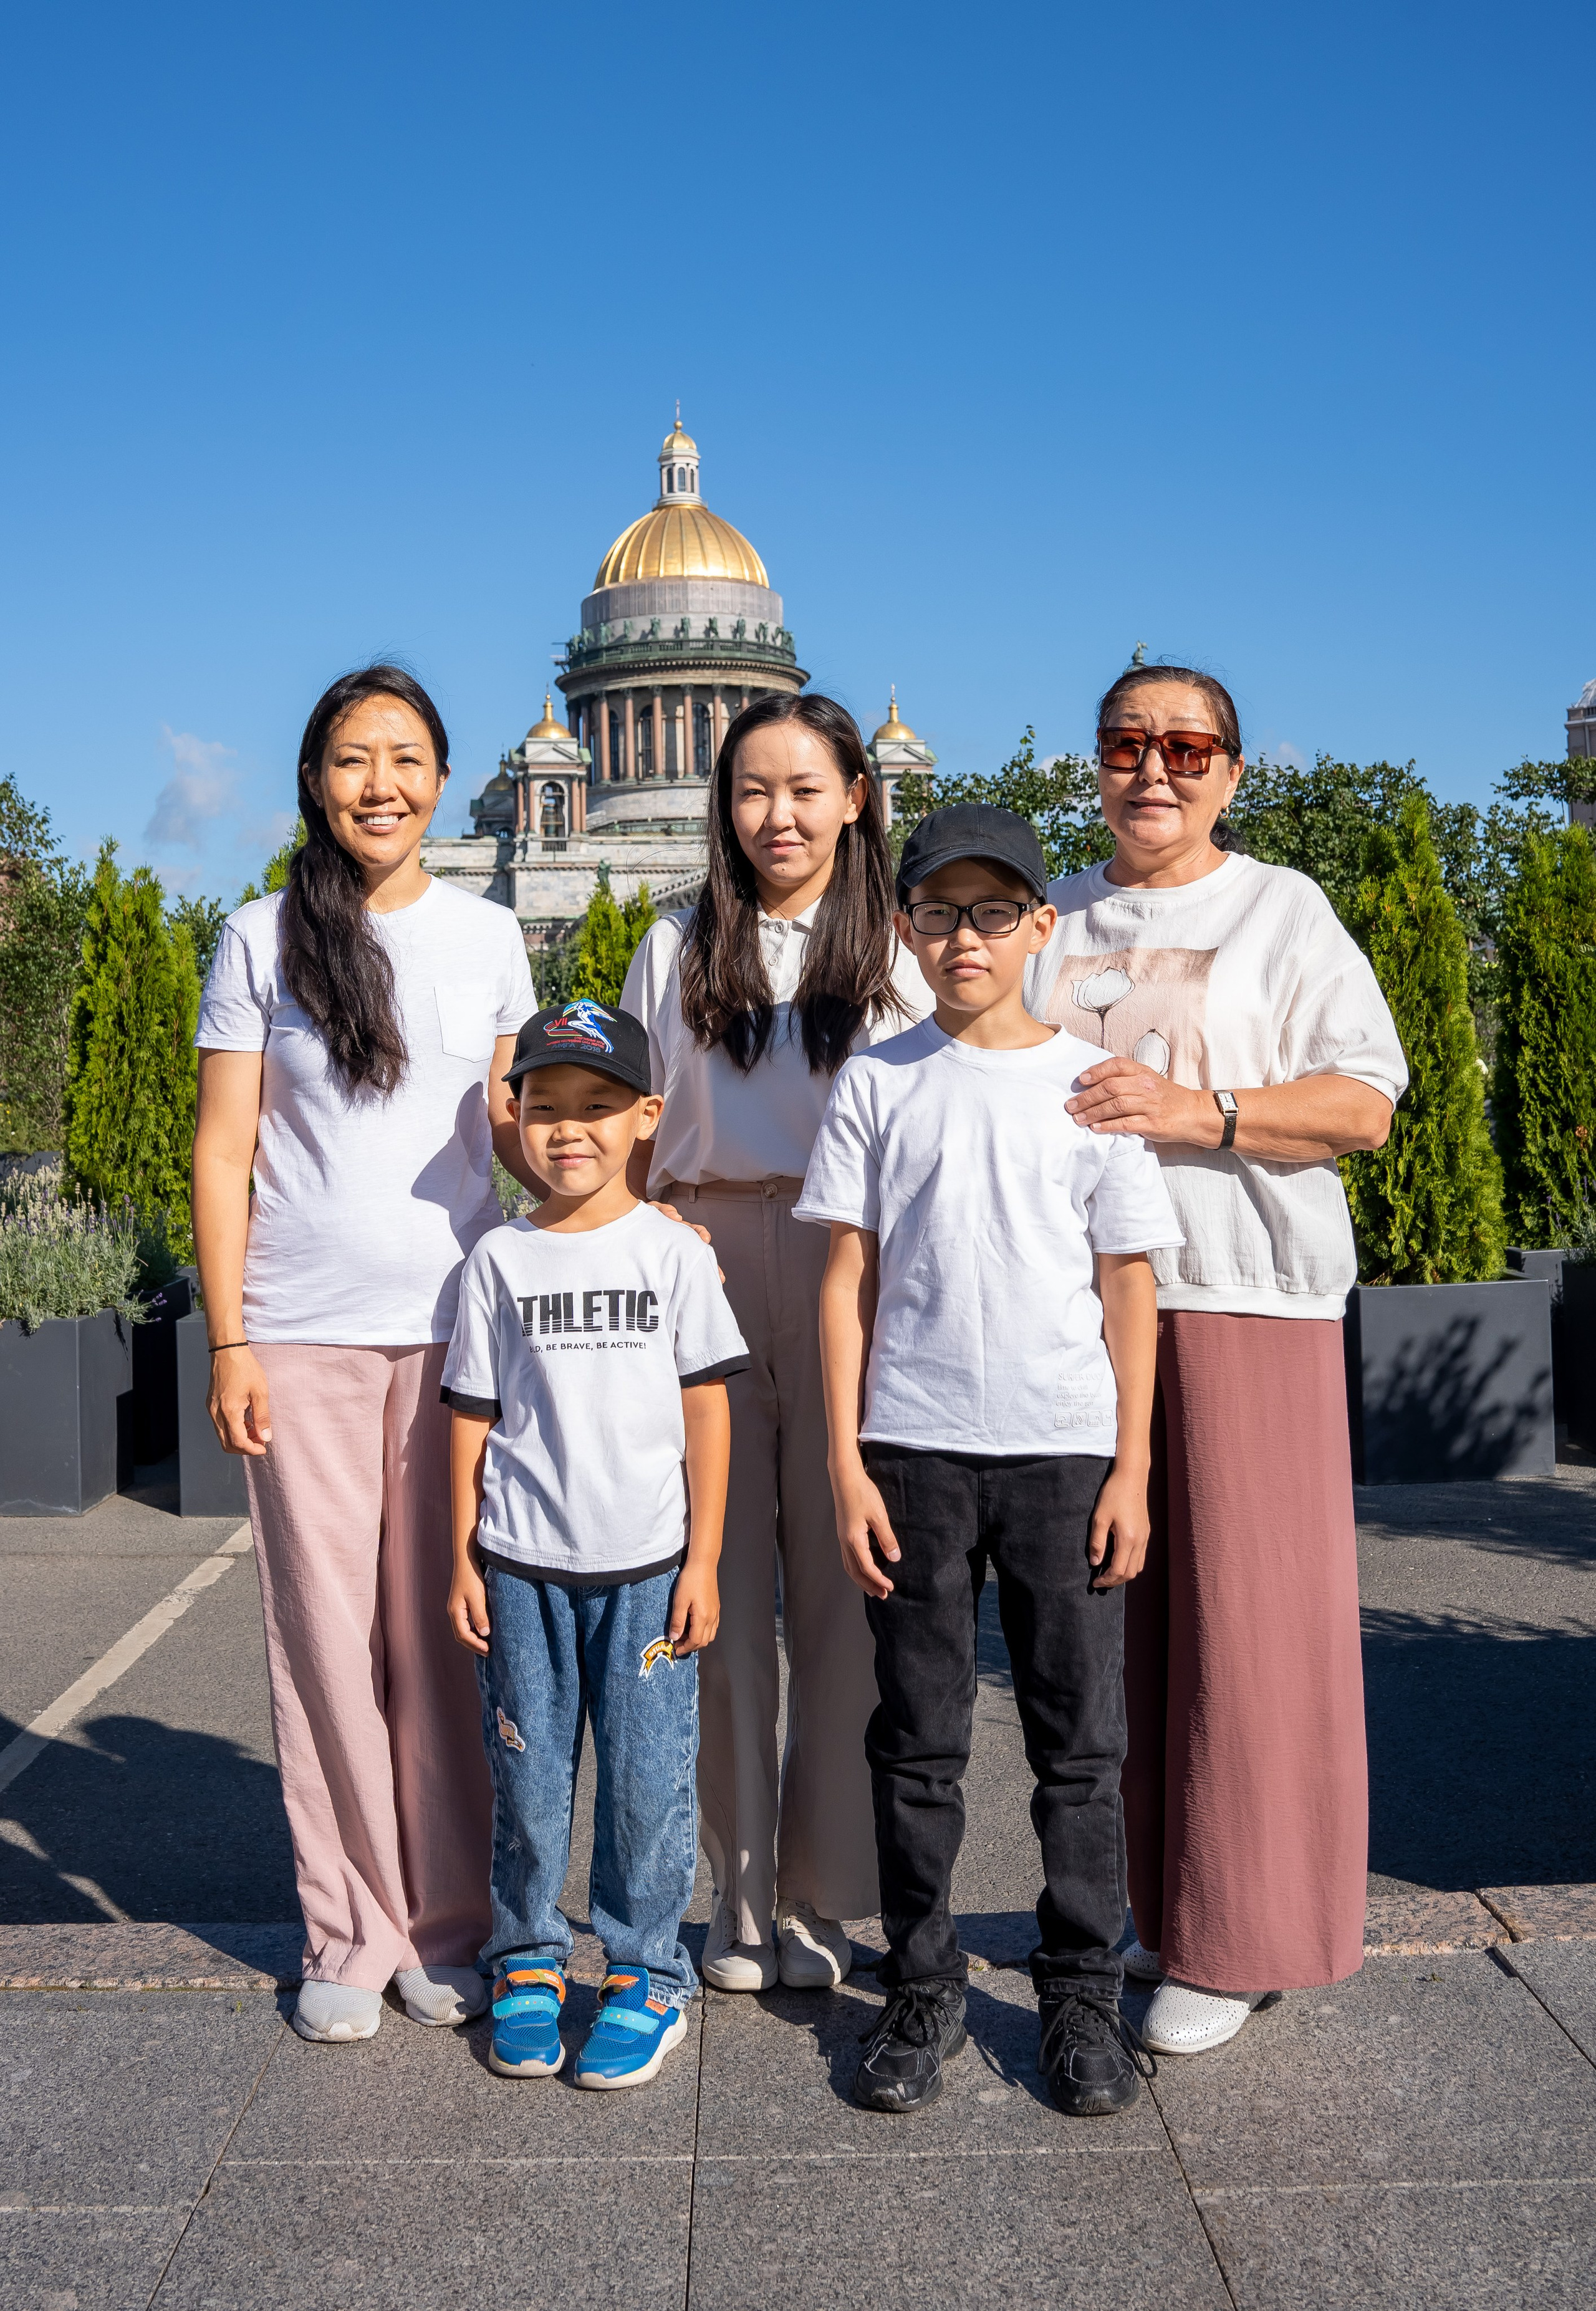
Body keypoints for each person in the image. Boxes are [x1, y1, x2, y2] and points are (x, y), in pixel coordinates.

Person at [1026, 663, 1408, 2057]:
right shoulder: (1047, 915)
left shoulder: (1280, 908)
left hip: (1244, 1296)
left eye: (1187, 747)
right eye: (1128, 742)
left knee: (1249, 1633)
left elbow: (1362, 1103)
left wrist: (1201, 1110)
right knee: (1111, 1630)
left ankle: (1240, 1934)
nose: (1155, 770)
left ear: (1231, 773)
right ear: (1096, 761)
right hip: (1068, 1312)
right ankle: (1150, 1904)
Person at [799, 803, 1183, 2116]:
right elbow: (842, 1277)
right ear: (902, 928)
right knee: (917, 1744)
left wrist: (1131, 1470)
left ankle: (1079, 1996)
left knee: (1079, 1746)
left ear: (1037, 927)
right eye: (935, 912)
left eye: (990, 912)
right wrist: (847, 1463)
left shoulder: (1087, 1086)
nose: (962, 937)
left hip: (1062, 1457)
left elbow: (1126, 1290)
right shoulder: (876, 1078)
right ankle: (922, 1987)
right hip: (911, 1453)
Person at [191, 664, 539, 2044]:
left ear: (443, 781)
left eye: (402, 759)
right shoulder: (259, 938)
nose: (378, 784)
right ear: (314, 782)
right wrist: (229, 1340)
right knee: (323, 1643)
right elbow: (225, 1151)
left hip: (457, 1336)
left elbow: (518, 1137)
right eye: (351, 759)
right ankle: (348, 1928)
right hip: (302, 1333)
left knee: (446, 1638)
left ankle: (449, 1928)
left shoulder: (489, 936)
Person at [620, 693, 929, 1992]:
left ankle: (825, 1899)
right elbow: (637, 1130)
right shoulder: (677, 940)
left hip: (852, 1264)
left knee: (845, 1593)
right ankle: (737, 1899)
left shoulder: (900, 951)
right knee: (724, 1595)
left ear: (855, 795)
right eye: (751, 790)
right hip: (704, 1257)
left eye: (805, 788)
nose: (778, 816)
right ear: (720, 805)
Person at [443, 1001, 746, 2089]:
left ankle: (644, 1970)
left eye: (599, 1108)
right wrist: (461, 1556)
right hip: (524, 1568)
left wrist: (705, 1558)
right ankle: (526, 1956)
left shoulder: (674, 1254)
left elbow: (708, 1409)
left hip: (652, 1572)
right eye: (546, 1108)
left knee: (647, 1784)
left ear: (646, 1116)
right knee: (528, 1782)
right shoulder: (497, 1261)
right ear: (512, 1117)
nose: (570, 1131)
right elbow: (471, 1415)